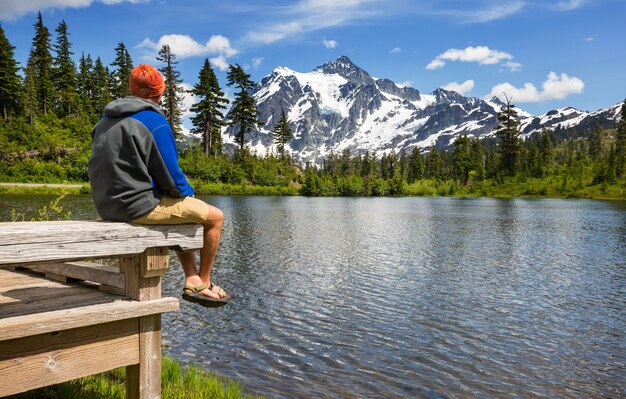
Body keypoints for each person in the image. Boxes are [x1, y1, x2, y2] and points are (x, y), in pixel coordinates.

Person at [88, 63, 229, 307]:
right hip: (137, 207)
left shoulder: (105, 121)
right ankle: (203, 282)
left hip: (106, 206)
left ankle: (192, 276)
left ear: (132, 89)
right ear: (159, 93)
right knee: (215, 217)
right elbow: (172, 175)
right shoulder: (153, 121)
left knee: (183, 209)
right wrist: (188, 194)